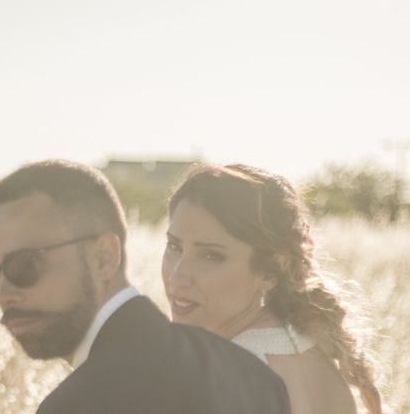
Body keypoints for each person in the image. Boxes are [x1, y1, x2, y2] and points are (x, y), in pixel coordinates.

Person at [0, 159, 291, 414]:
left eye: (23, 266)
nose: (3, 295)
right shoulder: (250, 374)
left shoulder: (78, 404)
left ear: (104, 258)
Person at [162, 163, 384, 414]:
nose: (178, 276)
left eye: (211, 256)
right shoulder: (322, 363)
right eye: (174, 246)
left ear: (271, 270)